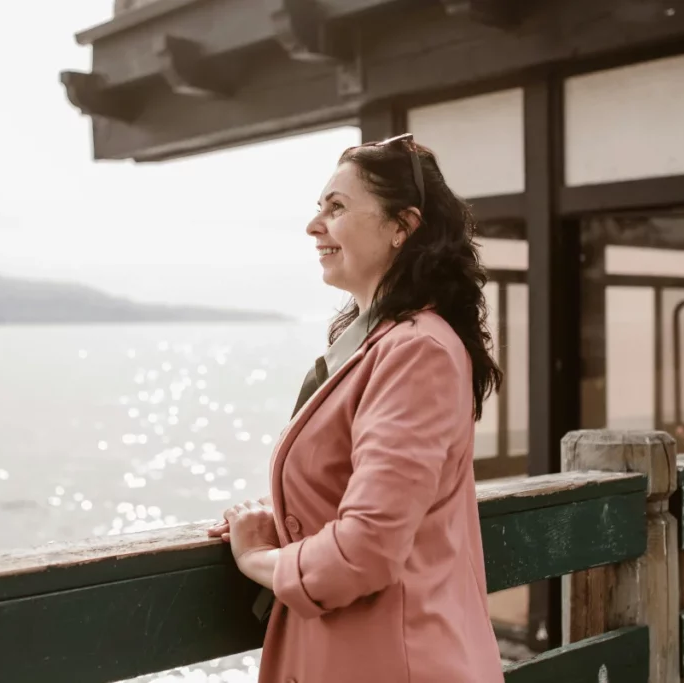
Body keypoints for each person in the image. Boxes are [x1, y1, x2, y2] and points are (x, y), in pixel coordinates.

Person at [207, 133, 505, 683]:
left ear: (402, 227)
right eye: (319, 207)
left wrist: (257, 560)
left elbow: (366, 549)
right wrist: (291, 524)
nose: (314, 224)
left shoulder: (417, 349)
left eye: (337, 207)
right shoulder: (392, 342)